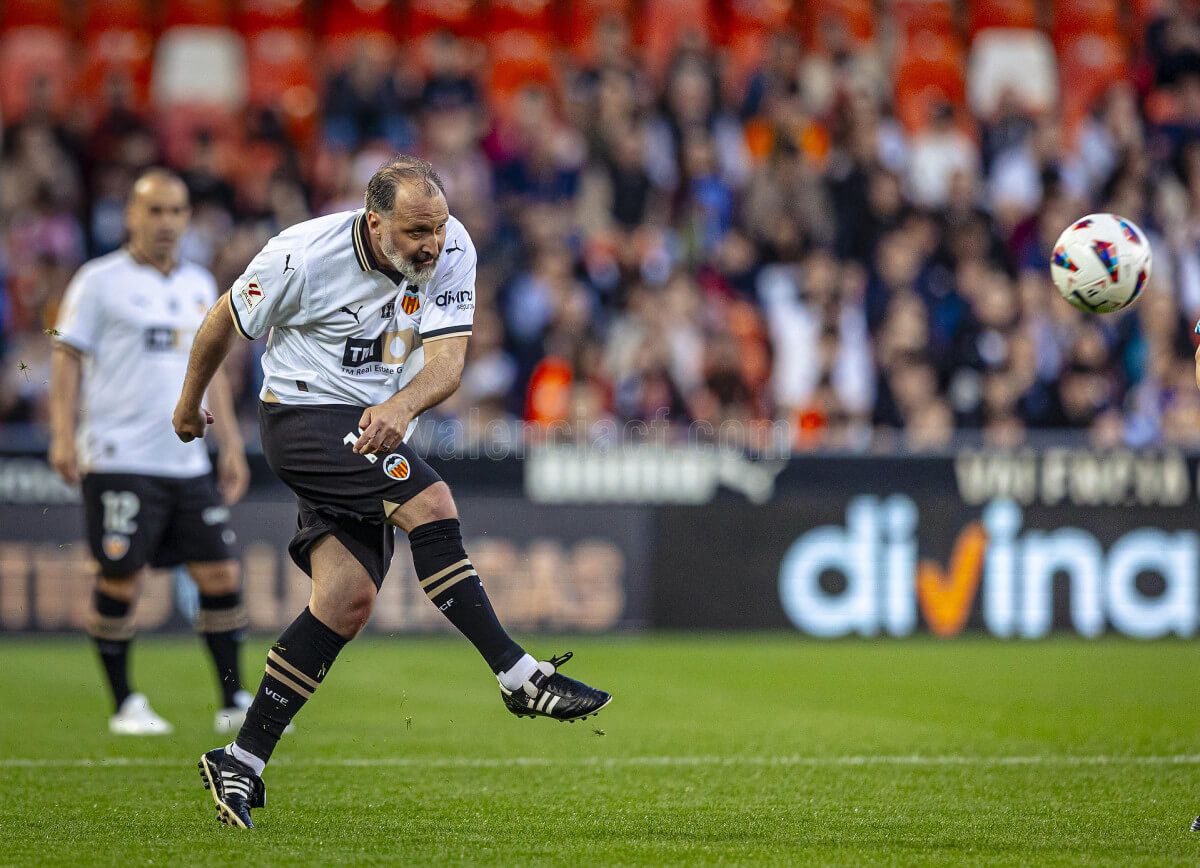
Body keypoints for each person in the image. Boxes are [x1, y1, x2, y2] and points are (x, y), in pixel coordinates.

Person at [174, 156, 611, 830]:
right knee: (431, 504)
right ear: (375, 224)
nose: (431, 244)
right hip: (300, 419)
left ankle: (242, 758)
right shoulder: (299, 257)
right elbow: (218, 324)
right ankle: (519, 675)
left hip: (373, 422)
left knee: (346, 601)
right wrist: (188, 405)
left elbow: (447, 361)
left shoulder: (454, 245)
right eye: (415, 232)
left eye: (436, 227)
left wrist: (403, 407)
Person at [48, 169, 252, 736]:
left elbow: (214, 376)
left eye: (176, 211)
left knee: (219, 573)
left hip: (186, 460)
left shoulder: (195, 284)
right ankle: (123, 703)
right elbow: (67, 358)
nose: (166, 223)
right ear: (131, 217)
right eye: (155, 211)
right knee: (121, 579)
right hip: (118, 455)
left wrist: (230, 446)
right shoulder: (98, 280)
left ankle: (233, 698)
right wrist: (62, 435)